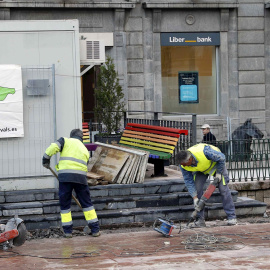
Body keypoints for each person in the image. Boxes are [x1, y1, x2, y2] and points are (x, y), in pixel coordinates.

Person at [42, 129, 100, 238]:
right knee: (87, 204)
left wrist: (45, 159)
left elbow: (52, 148)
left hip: (65, 178)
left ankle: (68, 232)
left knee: (65, 205)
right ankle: (95, 229)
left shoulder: (65, 141)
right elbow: (85, 165)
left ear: (71, 136)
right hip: (81, 179)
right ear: (81, 138)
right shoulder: (85, 149)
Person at [176, 143, 237, 227]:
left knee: (223, 190)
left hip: (216, 165)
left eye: (184, 164)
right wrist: (195, 198)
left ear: (189, 159)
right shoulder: (183, 165)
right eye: (182, 164)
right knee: (197, 190)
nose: (183, 166)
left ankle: (232, 217)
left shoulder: (205, 152)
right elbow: (188, 181)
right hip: (202, 169)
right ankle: (200, 220)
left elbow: (221, 157)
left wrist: (219, 173)